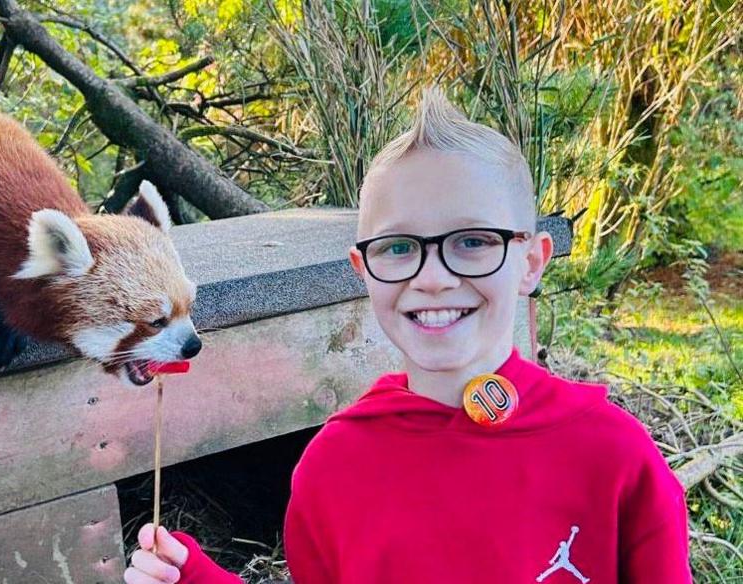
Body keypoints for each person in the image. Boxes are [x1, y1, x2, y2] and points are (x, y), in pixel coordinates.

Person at [123, 88, 691, 584]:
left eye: (473, 240)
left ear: (532, 261)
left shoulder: (616, 458)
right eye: (399, 248)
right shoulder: (332, 468)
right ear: (362, 269)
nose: (435, 277)